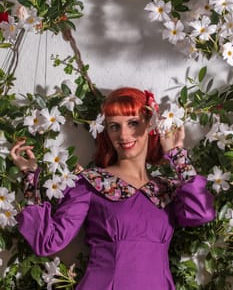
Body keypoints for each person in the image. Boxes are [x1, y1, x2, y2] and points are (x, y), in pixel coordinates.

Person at [10, 87, 215, 290]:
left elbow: (201, 213)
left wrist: (176, 153)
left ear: (150, 125)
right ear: (106, 132)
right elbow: (48, 242)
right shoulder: (91, 183)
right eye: (114, 126)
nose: (124, 135)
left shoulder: (167, 189)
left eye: (133, 123)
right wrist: (30, 178)